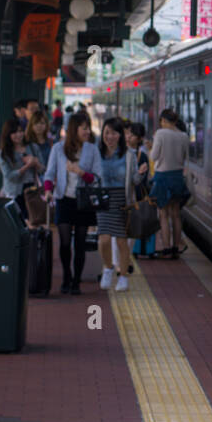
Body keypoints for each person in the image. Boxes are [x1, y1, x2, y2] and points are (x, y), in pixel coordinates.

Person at [43, 110, 101, 295]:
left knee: (81, 244)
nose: (87, 132)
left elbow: (98, 178)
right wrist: (47, 190)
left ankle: (77, 281)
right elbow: (50, 173)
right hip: (64, 200)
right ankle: (67, 276)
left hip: (84, 202)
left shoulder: (92, 150)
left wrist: (82, 172)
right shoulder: (58, 148)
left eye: (88, 128)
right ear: (74, 129)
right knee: (65, 243)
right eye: (84, 128)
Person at [96, 116, 137, 292]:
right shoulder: (96, 153)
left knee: (122, 242)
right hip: (103, 200)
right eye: (106, 132)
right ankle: (108, 267)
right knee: (103, 240)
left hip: (122, 200)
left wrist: (141, 174)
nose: (109, 136)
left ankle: (123, 276)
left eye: (113, 133)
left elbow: (134, 179)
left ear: (120, 135)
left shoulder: (129, 155)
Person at [149, 108, 189, 260]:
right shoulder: (184, 136)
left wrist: (152, 145)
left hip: (163, 177)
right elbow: (185, 156)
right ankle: (176, 247)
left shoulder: (160, 133)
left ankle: (166, 247)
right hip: (177, 177)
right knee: (176, 214)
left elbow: (154, 156)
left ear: (164, 120)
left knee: (163, 214)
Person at [125, 121, 154, 263]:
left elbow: (143, 178)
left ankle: (135, 251)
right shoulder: (123, 152)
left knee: (133, 225)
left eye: (133, 135)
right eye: (128, 133)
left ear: (140, 138)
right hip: (127, 194)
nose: (129, 137)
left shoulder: (142, 155)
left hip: (137, 194)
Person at [0, 118, 37, 214]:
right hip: (14, 192)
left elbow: (43, 169)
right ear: (8, 135)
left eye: (20, 131)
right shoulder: (4, 153)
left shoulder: (32, 147)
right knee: (16, 222)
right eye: (14, 132)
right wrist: (27, 166)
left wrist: (36, 163)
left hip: (32, 190)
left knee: (32, 220)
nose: (18, 135)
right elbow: (9, 176)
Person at [25, 109, 51, 174]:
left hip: (47, 179)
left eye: (42, 123)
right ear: (31, 125)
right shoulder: (26, 142)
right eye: (36, 123)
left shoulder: (51, 142)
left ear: (46, 125)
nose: (39, 126)